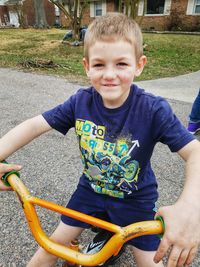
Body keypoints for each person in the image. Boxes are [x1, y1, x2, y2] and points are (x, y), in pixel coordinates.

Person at [0, 12, 200, 267]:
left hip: (135, 199)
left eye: (121, 64)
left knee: (153, 262)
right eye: (99, 65)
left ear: (139, 65)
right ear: (86, 66)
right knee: (49, 248)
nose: (109, 74)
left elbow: (195, 152)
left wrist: (191, 207)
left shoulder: (153, 109)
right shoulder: (80, 102)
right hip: (90, 192)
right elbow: (34, 125)